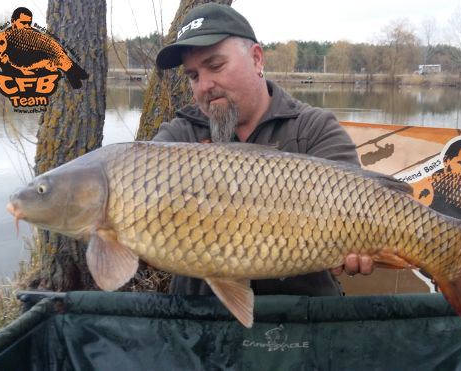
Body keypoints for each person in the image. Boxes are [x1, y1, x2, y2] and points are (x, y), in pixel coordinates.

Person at [153, 3, 373, 296]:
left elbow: (363, 208)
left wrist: (360, 246)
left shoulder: (314, 129)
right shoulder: (178, 137)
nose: (204, 85)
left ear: (257, 59)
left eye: (215, 66)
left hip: (304, 319)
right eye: (193, 76)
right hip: (200, 322)